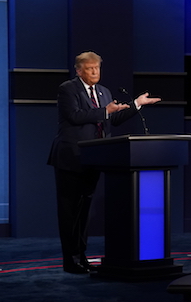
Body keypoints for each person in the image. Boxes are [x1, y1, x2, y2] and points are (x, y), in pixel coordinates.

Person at [47, 51, 161, 274]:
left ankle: (82, 256)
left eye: (97, 68)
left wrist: (135, 104)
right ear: (79, 70)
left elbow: (113, 119)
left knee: (84, 211)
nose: (94, 72)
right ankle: (70, 260)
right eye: (89, 68)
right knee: (70, 211)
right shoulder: (68, 89)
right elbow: (75, 116)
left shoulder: (104, 92)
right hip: (71, 158)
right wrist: (104, 111)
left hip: (94, 158)